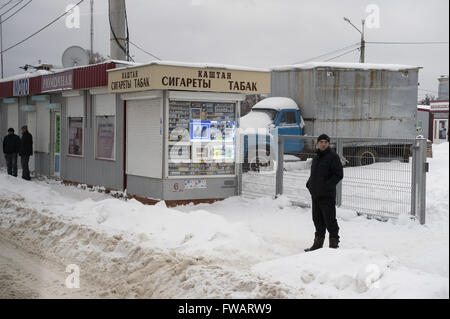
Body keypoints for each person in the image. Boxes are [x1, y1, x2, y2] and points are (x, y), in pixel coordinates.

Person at [305, 134, 343, 251]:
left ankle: (333, 244)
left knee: (330, 220)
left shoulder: (333, 157)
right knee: (317, 219)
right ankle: (318, 244)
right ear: (318, 143)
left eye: (325, 142)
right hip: (315, 194)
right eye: (321, 142)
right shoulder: (317, 157)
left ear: (328, 143)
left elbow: (338, 175)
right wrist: (309, 184)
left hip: (327, 195)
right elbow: (314, 174)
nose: (323, 144)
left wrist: (326, 187)